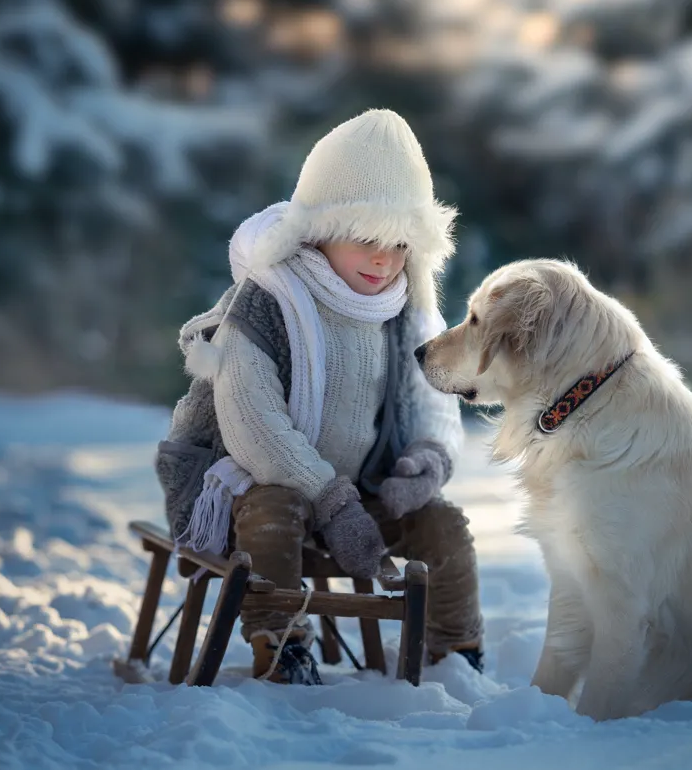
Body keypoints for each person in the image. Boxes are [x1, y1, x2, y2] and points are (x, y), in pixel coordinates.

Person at [154, 109, 482, 684]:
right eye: (365, 239)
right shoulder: (269, 301)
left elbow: (432, 402)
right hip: (261, 484)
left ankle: (457, 649)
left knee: (442, 523)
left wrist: (426, 462)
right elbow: (254, 423)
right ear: (318, 230)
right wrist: (329, 499)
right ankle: (282, 644)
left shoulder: (406, 311)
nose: (384, 259)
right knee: (272, 512)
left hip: (363, 489)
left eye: (400, 243)